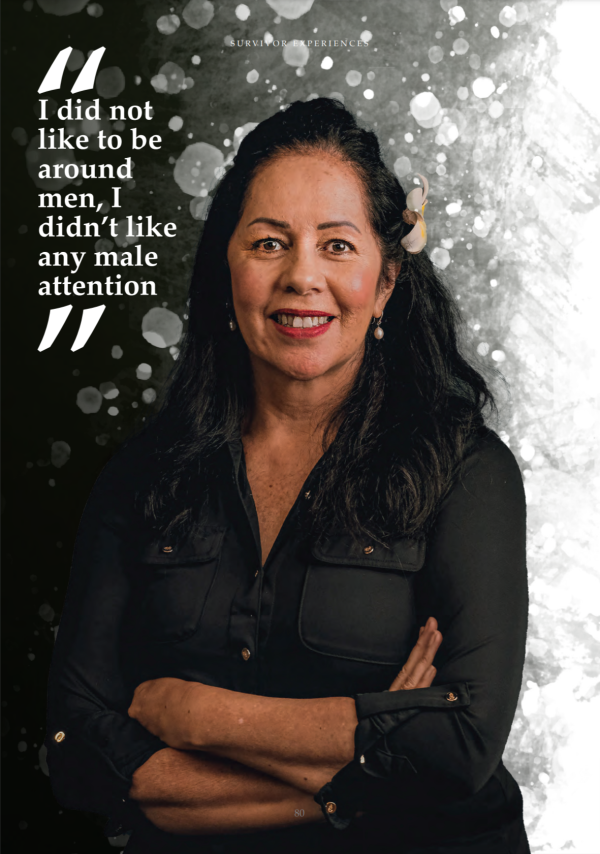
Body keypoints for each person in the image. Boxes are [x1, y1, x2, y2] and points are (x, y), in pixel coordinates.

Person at [44, 98, 530, 853]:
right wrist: (354, 776)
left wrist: (197, 718)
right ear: (227, 270)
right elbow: (79, 750)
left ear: (387, 283)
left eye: (337, 246)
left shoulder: (466, 471)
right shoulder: (142, 476)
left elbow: (461, 748)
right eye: (270, 243)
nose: (302, 276)